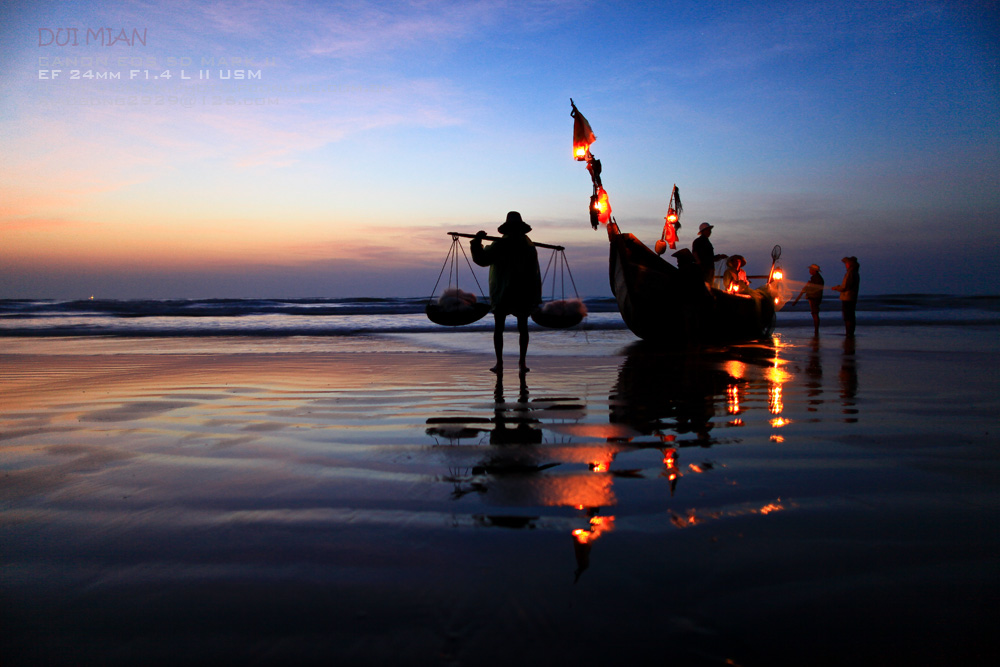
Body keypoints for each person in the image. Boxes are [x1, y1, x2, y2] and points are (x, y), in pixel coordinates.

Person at [470, 211, 542, 374]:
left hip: (503, 292)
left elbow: (482, 259)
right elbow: (535, 275)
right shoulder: (528, 247)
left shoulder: (501, 245)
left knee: (500, 328)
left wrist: (477, 241)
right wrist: (536, 297)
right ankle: (521, 363)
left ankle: (500, 363)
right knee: (522, 328)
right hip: (523, 292)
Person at [791, 264, 825, 335]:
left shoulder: (816, 279)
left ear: (814, 271)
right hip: (815, 297)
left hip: (814, 298)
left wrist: (807, 287)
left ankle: (816, 330)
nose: (809, 271)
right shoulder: (816, 278)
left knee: (815, 313)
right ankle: (816, 329)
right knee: (814, 313)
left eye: (811, 269)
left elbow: (814, 289)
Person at [691, 222, 727, 287]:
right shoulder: (699, 241)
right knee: (705, 286)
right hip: (704, 269)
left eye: (710, 230)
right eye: (708, 230)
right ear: (703, 231)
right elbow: (695, 253)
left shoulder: (706, 242)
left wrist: (719, 256)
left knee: (708, 285)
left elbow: (710, 257)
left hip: (708, 269)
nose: (710, 232)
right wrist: (699, 263)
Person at [831, 256, 859, 336]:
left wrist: (837, 288)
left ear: (850, 264)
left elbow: (845, 287)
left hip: (848, 298)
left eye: (846, 263)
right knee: (850, 316)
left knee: (848, 316)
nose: (845, 264)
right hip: (851, 297)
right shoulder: (854, 273)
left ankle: (849, 333)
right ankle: (850, 333)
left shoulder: (850, 273)